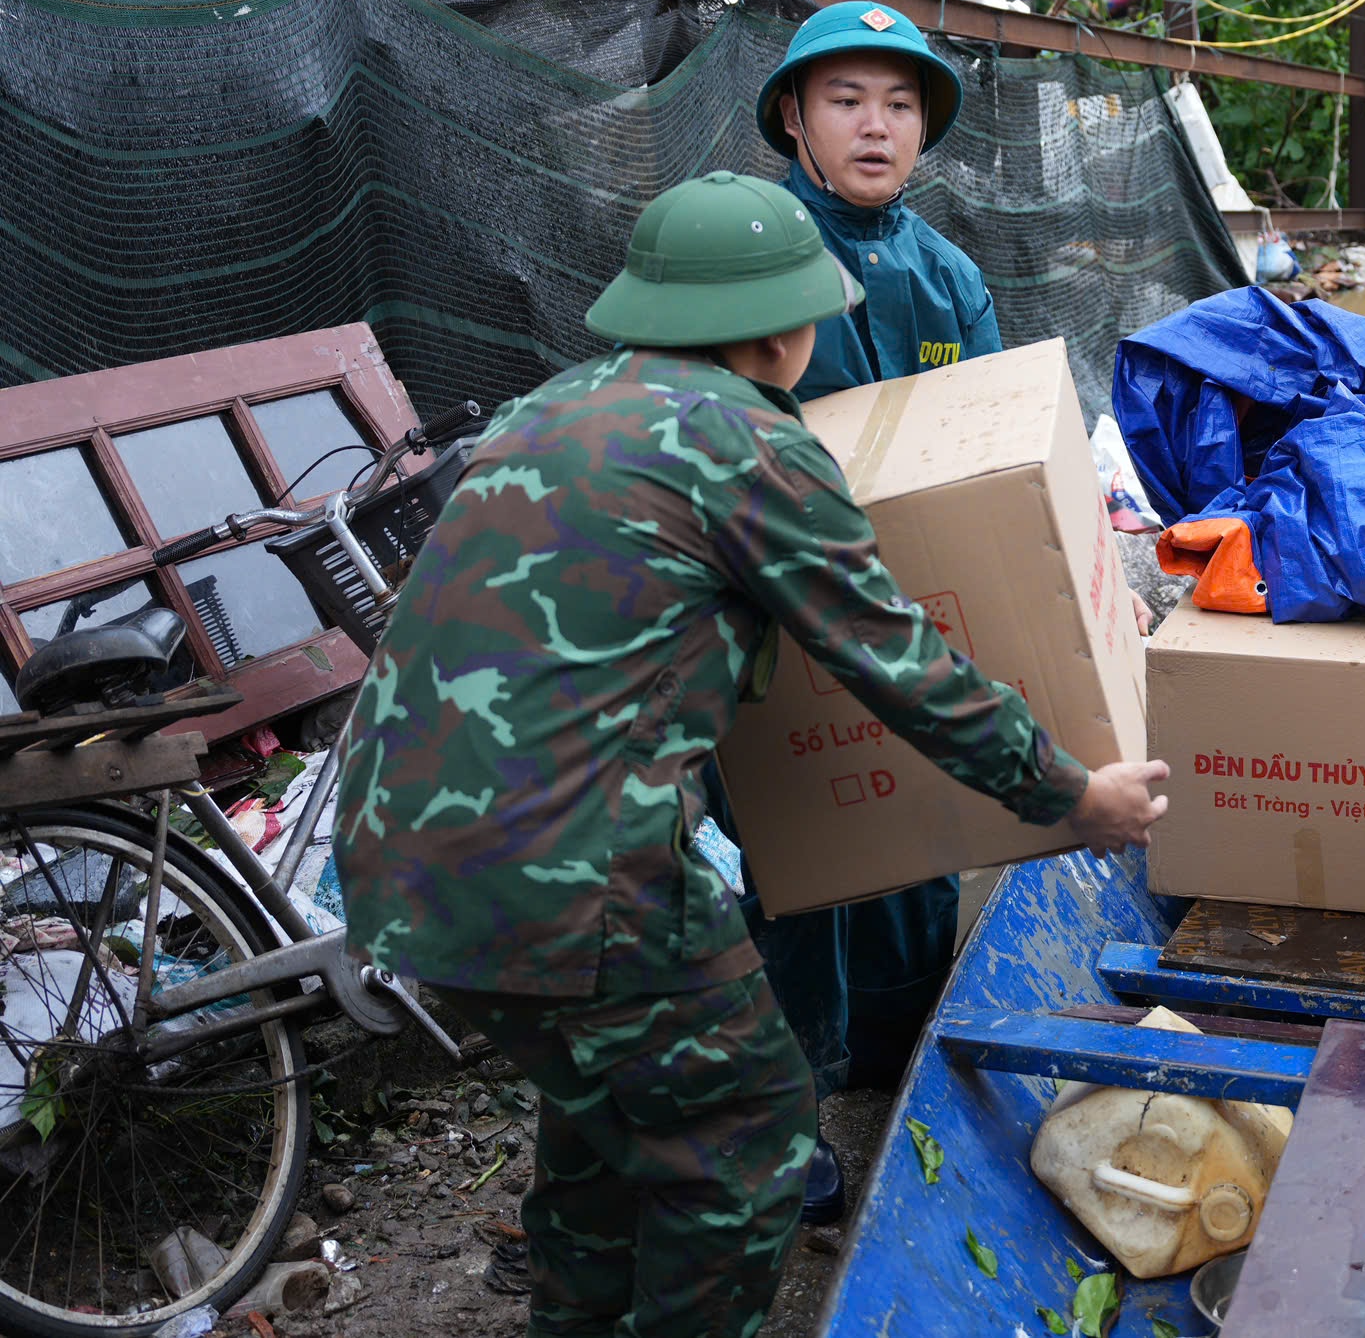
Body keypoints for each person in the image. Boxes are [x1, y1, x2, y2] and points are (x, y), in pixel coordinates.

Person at [333, 171, 1170, 1338]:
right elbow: (898, 662)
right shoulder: (744, 443)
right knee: (750, 1145)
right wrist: (1073, 794)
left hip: (394, 861)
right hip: (574, 881)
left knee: (606, 1122)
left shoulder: (555, 406)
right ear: (786, 326)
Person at [697, 0, 998, 1225]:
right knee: (789, 854)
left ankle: (889, 1057)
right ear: (792, 115)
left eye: (901, 101)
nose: (877, 126)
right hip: (766, 608)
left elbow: (986, 440)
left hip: (900, 599)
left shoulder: (946, 271)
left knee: (913, 839)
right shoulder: (745, 244)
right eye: (845, 99)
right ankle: (783, 1113)